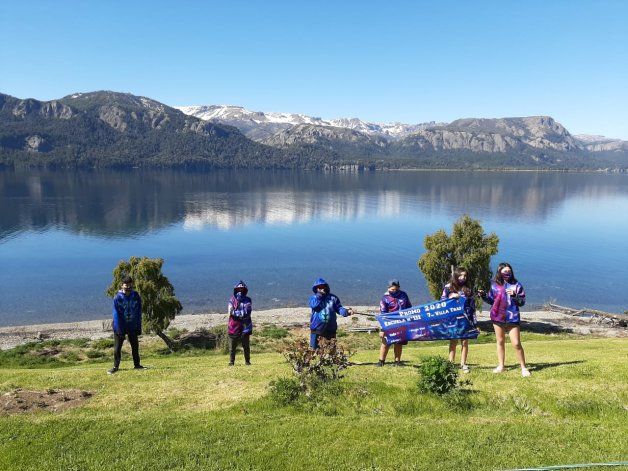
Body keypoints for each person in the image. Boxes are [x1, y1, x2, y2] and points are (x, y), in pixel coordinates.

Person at [478, 262, 530, 377]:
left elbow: (522, 302)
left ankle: (524, 368)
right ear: (499, 272)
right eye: (505, 271)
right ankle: (501, 366)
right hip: (497, 316)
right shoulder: (494, 285)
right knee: (500, 341)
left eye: (509, 271)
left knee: (516, 343)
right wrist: (483, 295)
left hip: (512, 317)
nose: (507, 273)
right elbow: (491, 300)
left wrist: (514, 295)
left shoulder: (517, 285)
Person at [441, 267, 475, 373]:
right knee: (453, 341)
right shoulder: (448, 287)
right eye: (460, 275)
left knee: (465, 342)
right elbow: (441, 302)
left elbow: (472, 306)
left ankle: (463, 364)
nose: (463, 277)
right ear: (456, 275)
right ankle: (451, 363)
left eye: (465, 275)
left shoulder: (468, 289)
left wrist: (474, 322)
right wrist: (450, 297)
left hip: (466, 319)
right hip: (453, 319)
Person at [108, 275, 144, 374]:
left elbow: (138, 311)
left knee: (135, 346)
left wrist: (138, 325)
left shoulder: (135, 296)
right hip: (120, 325)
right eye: (126, 285)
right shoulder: (117, 298)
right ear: (122, 285)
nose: (128, 286)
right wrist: (119, 328)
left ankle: (137, 365)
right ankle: (115, 367)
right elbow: (116, 314)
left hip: (132, 325)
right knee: (117, 348)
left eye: (129, 284)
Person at [308, 278, 353, 349]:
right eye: (319, 287)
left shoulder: (333, 298)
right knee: (313, 350)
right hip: (317, 329)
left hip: (330, 329)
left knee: (330, 350)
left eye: (323, 286)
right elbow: (314, 305)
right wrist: (319, 295)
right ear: (316, 288)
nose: (322, 289)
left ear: (326, 287)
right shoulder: (313, 298)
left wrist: (346, 312)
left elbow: (339, 308)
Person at [378, 279, 412, 367]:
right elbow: (383, 314)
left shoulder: (404, 295)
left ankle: (397, 362)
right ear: (388, 288)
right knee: (386, 342)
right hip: (389, 323)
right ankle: (381, 361)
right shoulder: (384, 298)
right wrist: (382, 329)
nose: (394, 291)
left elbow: (409, 307)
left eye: (396, 289)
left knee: (399, 343)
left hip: (402, 323)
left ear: (399, 287)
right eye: (392, 289)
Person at [227, 281, 253, 366]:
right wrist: (240, 313)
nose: (240, 292)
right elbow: (230, 311)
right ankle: (231, 362)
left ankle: (247, 361)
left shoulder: (248, 300)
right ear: (235, 290)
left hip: (245, 326)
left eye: (242, 290)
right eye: (238, 290)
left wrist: (237, 313)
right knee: (232, 346)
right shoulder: (232, 300)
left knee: (246, 345)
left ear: (245, 290)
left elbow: (248, 310)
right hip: (233, 326)